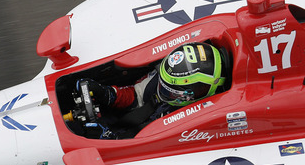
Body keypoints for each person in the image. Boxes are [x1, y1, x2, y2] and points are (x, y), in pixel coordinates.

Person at [76, 42, 227, 138]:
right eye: (164, 85)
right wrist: (107, 94)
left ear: (200, 90)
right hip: (125, 121)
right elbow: (138, 94)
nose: (164, 93)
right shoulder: (169, 76)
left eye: (173, 91)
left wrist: (109, 139)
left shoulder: (198, 119)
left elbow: (142, 146)